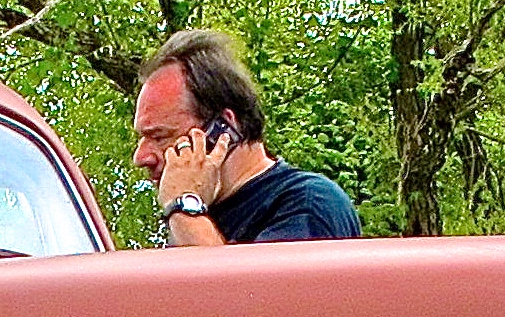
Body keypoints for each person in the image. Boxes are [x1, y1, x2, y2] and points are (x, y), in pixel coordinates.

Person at [129, 28, 361, 245]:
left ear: (223, 128)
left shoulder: (310, 204)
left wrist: (184, 207)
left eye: (159, 137)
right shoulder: (201, 216)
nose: (141, 157)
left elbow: (246, 290)